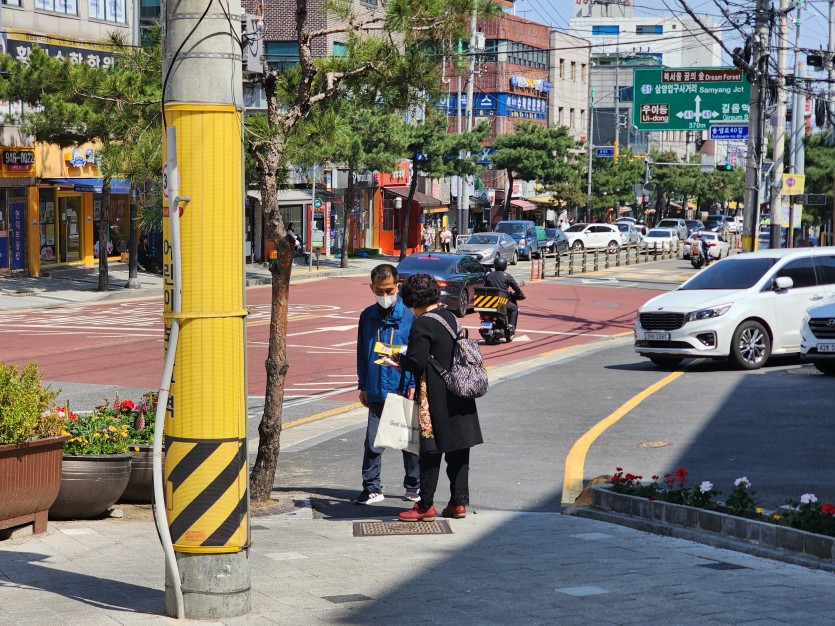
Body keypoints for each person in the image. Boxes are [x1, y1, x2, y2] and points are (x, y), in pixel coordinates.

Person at [397, 273, 483, 522]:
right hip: (460, 390)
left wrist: (398, 361)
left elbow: (416, 362)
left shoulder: (422, 323)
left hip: (436, 395)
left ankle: (425, 505)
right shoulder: (451, 317)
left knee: (430, 451)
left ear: (413, 299)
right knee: (458, 450)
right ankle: (458, 503)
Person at [354, 264, 420, 505]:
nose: (384, 296)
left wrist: (413, 382)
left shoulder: (410, 316)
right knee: (373, 442)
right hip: (376, 388)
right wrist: (363, 384)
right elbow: (363, 352)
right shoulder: (367, 316)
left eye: (389, 290)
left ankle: (414, 487)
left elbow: (416, 354)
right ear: (372, 288)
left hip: (403, 388)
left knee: (408, 442)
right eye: (379, 291)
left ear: (397, 287)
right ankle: (371, 488)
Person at [484, 256, 523, 333]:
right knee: (514, 308)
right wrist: (519, 293)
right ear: (505, 266)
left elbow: (485, 287)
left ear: (495, 265)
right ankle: (511, 326)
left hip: (489, 302)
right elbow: (516, 287)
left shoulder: (489, 275)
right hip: (502, 302)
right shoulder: (507, 276)